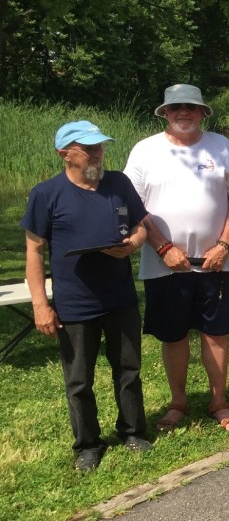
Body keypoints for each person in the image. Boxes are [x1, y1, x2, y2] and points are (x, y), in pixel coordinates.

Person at [22, 121, 152, 471]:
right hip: (75, 303)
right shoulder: (46, 194)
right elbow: (34, 251)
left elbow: (141, 224)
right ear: (65, 153)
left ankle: (133, 432)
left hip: (120, 297)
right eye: (89, 148)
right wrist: (40, 304)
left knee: (128, 369)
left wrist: (134, 245)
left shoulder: (118, 184)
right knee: (79, 379)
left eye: (100, 147)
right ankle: (87, 444)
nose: (98, 153)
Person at [124, 84, 229, 433]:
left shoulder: (221, 146)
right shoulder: (144, 151)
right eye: (176, 106)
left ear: (202, 113)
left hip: (216, 261)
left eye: (191, 107)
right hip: (163, 263)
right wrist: (164, 247)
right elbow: (133, 207)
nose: (184, 112)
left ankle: (219, 402)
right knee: (174, 335)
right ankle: (178, 402)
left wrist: (224, 244)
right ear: (164, 111)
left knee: (216, 333)